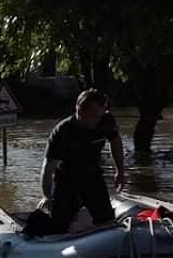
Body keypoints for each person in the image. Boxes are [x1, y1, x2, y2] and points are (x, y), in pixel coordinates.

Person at [38, 88, 127, 234]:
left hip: (93, 176)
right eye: (93, 116)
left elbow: (116, 142)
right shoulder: (62, 131)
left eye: (100, 115)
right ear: (79, 111)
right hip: (66, 180)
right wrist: (46, 196)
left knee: (107, 221)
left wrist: (120, 171)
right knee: (58, 226)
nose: (97, 120)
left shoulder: (106, 120)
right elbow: (48, 167)